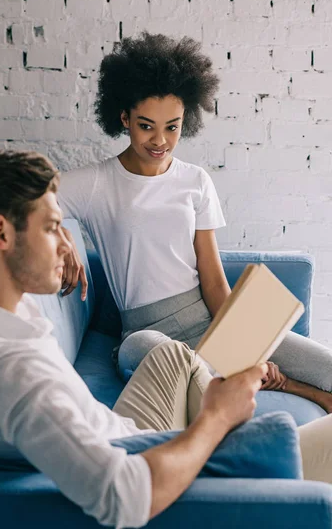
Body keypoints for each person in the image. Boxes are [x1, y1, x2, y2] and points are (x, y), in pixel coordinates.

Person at [0, 150, 331, 528]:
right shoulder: (15, 376)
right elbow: (124, 496)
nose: (66, 242)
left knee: (173, 354)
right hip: (150, 465)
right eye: (53, 228)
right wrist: (217, 417)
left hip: (124, 429)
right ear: (0, 233)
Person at [57, 31, 332, 413]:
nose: (161, 140)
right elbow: (30, 197)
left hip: (208, 322)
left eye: (172, 126)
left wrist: (243, 342)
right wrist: (58, 235)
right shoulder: (96, 183)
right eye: (146, 125)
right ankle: (274, 383)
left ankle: (257, 375)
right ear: (124, 118)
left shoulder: (195, 180)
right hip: (146, 334)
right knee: (156, 354)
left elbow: (213, 279)